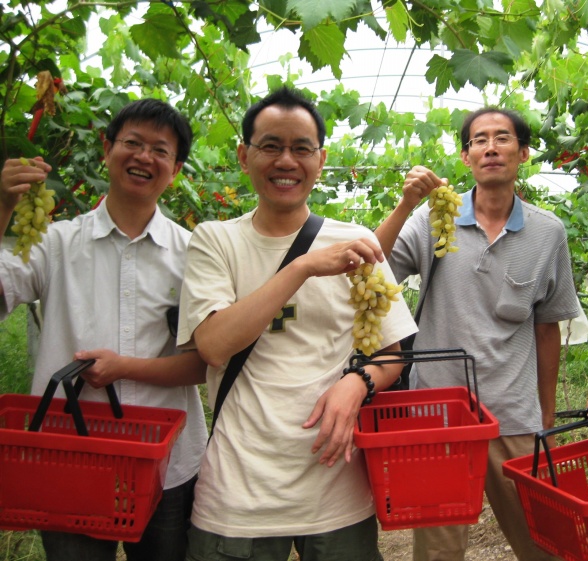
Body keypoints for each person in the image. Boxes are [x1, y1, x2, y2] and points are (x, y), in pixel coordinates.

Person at [176, 86, 417, 561]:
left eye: (301, 148)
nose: (286, 160)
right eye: (271, 146)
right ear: (245, 156)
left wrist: (359, 382)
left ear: (320, 159)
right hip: (236, 496)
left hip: (337, 492)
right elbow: (214, 345)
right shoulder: (215, 241)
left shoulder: (357, 242)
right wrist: (301, 267)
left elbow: (392, 352)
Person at [0, 98, 208, 561]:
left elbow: (206, 361)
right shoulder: (54, 244)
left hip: (167, 467)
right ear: (106, 149)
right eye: (132, 143)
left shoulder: (194, 254)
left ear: (175, 170)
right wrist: (3, 207)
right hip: (71, 460)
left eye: (160, 150)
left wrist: (124, 368)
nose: (143, 157)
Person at [375, 107, 579, 561]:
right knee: (438, 552)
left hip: (514, 415)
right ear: (466, 156)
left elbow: (548, 329)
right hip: (438, 415)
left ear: (522, 153)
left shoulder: (548, 233)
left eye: (503, 138)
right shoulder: (434, 220)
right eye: (479, 140)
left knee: (545, 542)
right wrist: (406, 203)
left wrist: (545, 417)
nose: (490, 147)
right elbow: (370, 266)